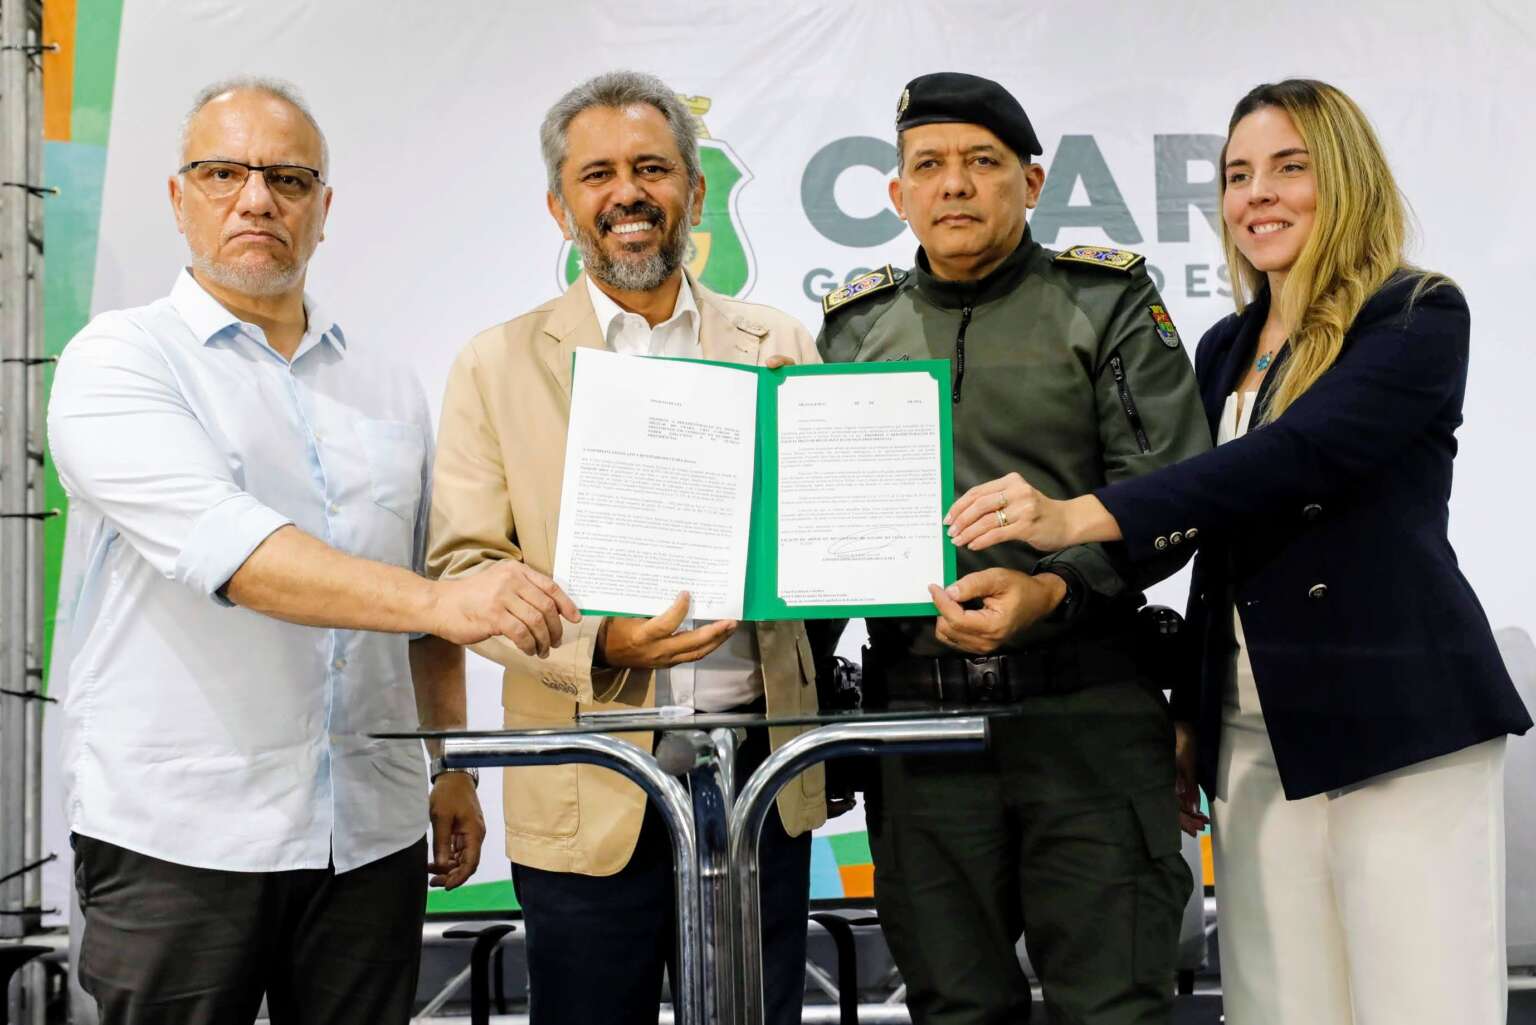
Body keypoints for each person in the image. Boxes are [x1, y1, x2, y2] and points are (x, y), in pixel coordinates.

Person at [947, 79, 1532, 1024]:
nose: (1258, 194)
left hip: (1399, 724)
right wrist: (1193, 711)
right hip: (1257, 740)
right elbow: (1217, 549)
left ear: (1344, 177)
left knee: (1421, 1004)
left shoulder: (1418, 313)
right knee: (1274, 1006)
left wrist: (1074, 516)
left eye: (1289, 168)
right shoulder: (1226, 344)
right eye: (1237, 175)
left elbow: (1289, 459)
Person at [48, 78, 579, 1025]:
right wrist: (443, 601)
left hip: (366, 834)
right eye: (223, 173)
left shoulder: (384, 381)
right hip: (180, 835)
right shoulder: (118, 360)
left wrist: (449, 763)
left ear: (323, 210)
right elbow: (240, 555)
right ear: (178, 198)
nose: (257, 199)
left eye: (288, 179)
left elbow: (422, 596)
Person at [425, 70, 825, 1025]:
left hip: (758, 781)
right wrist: (600, 644)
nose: (627, 193)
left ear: (694, 188)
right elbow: (465, 574)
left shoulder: (779, 342)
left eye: (652, 167)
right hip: (587, 781)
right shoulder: (495, 364)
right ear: (559, 206)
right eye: (596, 174)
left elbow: (822, 545)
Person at [815, 72, 1211, 1025]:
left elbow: (1173, 495)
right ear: (897, 193)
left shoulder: (1104, 301)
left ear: (1032, 183)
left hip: (1088, 716)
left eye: (982, 162)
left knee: (1116, 1007)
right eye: (928, 165)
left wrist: (1056, 590)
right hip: (918, 726)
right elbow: (817, 529)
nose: (954, 184)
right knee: (953, 1008)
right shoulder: (853, 328)